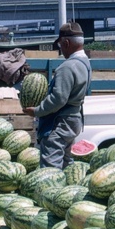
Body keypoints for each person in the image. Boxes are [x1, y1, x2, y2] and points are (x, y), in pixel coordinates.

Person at [23, 22, 92, 170]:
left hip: (60, 122)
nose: (61, 49)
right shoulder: (85, 63)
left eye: (60, 45)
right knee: (66, 163)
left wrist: (37, 111)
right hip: (74, 119)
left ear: (66, 43)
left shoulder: (67, 67)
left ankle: (51, 192)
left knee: (51, 166)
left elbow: (58, 99)